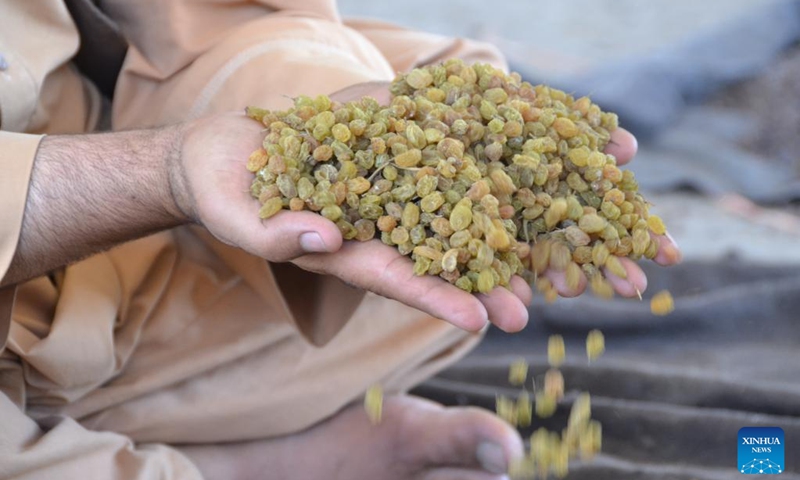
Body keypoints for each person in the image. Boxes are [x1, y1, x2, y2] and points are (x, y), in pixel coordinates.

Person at [0, 1, 681, 478]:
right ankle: (232, 468)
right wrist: (161, 173)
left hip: (98, 157)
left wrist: (315, 110)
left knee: (444, 267)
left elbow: (201, 16)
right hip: (35, 301)